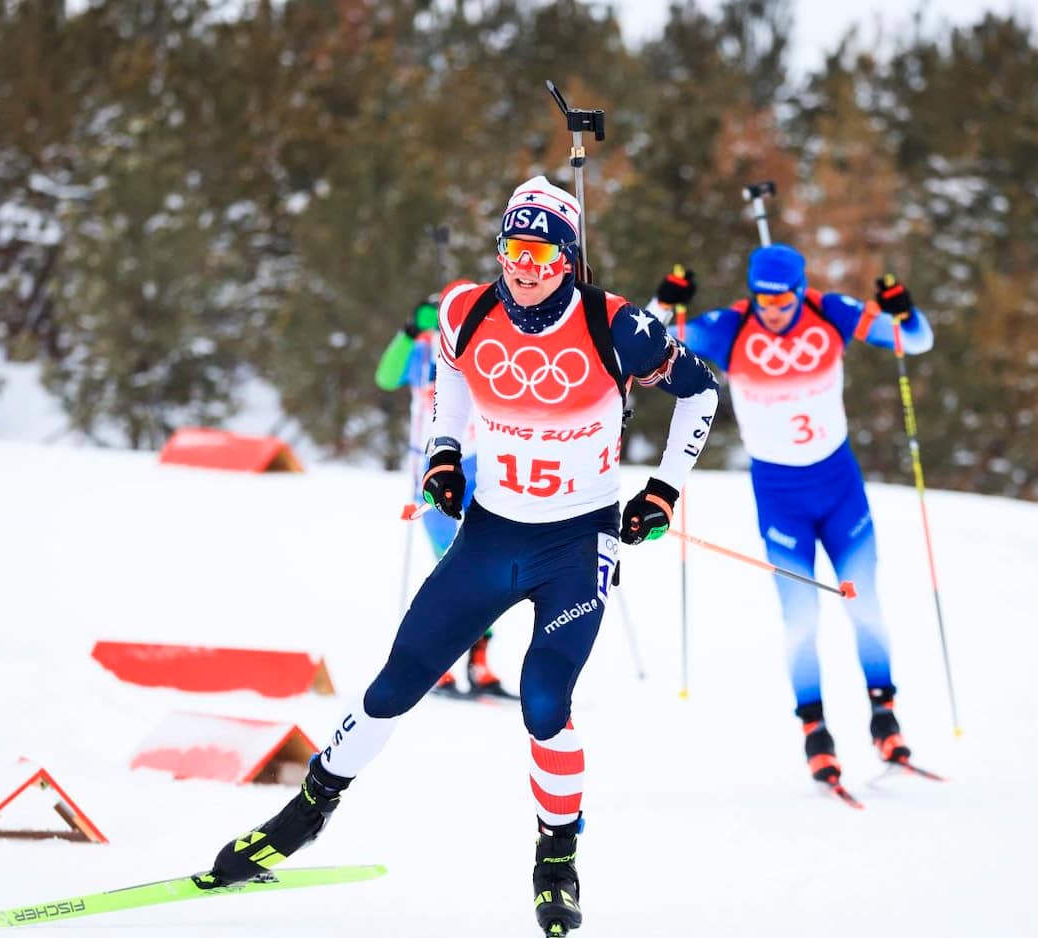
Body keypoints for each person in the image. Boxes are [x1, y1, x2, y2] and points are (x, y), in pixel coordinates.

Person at [205, 176, 719, 938]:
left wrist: (665, 491)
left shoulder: (621, 327)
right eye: (515, 248)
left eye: (545, 252)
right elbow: (450, 370)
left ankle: (556, 860)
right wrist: (446, 449)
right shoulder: (465, 310)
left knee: (546, 703)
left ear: (569, 259)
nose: (527, 266)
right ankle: (305, 813)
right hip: (490, 534)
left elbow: (701, 392)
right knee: (395, 682)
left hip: (576, 544)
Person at [651, 246, 933, 787]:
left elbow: (916, 340)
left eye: (782, 298)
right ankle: (816, 734)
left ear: (800, 290)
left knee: (864, 603)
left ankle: (885, 718)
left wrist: (904, 309)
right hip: (781, 498)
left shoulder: (831, 312)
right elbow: (642, 347)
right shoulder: (730, 328)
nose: (772, 309)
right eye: (762, 298)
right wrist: (666, 302)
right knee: (802, 619)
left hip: (840, 489)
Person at [374, 295, 509, 698]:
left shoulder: (484, 347)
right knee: (452, 571)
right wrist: (410, 331)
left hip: (479, 466)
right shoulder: (422, 351)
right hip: (432, 476)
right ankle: (439, 664)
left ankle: (479, 665)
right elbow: (385, 377)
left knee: (485, 571)